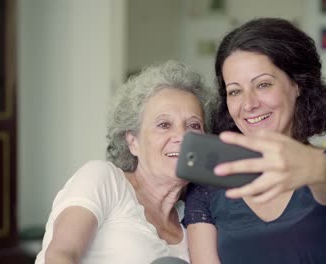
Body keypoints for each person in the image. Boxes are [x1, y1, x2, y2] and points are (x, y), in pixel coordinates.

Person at [182, 18, 326, 264]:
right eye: (234, 91)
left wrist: (315, 169)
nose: (248, 104)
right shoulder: (208, 188)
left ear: (297, 84)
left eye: (263, 84)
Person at [35, 60, 214, 264]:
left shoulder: (193, 218)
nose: (182, 136)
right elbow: (60, 255)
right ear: (132, 141)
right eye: (164, 125)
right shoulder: (104, 179)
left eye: (193, 125)